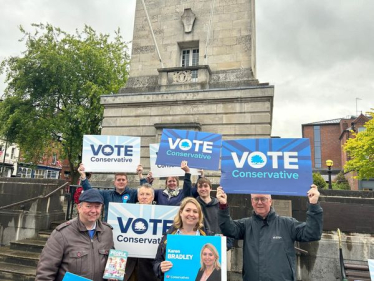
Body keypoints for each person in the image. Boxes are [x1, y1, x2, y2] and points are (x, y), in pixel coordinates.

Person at [217, 184, 323, 281]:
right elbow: (228, 228)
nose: (259, 202)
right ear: (252, 202)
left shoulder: (287, 224)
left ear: (270, 201)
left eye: (263, 199)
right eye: (256, 199)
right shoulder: (246, 224)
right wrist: (223, 206)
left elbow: (312, 233)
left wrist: (313, 204)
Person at [35, 189, 114, 281]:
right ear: (79, 207)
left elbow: (112, 260)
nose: (93, 211)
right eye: (88, 206)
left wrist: (114, 273)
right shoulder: (61, 234)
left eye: (97, 206)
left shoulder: (107, 231)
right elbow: (45, 273)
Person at [153, 197, 209, 280]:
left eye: (195, 211)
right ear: (181, 212)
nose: (191, 214)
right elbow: (156, 262)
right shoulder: (168, 237)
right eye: (188, 210)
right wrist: (160, 267)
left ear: (199, 215)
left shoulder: (208, 238)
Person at [78, 163, 147, 221]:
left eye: (123, 180)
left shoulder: (133, 193)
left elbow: (146, 191)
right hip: (109, 228)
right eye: (119, 180)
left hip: (127, 228)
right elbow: (90, 192)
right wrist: (83, 176)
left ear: (127, 182)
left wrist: (140, 175)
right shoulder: (106, 194)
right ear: (114, 182)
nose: (121, 182)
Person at [124, 183, 160, 281]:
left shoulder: (160, 214)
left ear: (152, 197)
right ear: (138, 196)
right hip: (128, 265)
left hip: (149, 267)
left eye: (147, 194)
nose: (144, 197)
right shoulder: (126, 212)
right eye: (142, 194)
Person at [192, 176, 234, 250]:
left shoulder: (220, 205)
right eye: (200, 187)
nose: (203, 189)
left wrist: (226, 245)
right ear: (197, 190)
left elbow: (228, 225)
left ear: (210, 188)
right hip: (198, 246)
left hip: (218, 246)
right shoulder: (193, 206)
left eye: (205, 186)